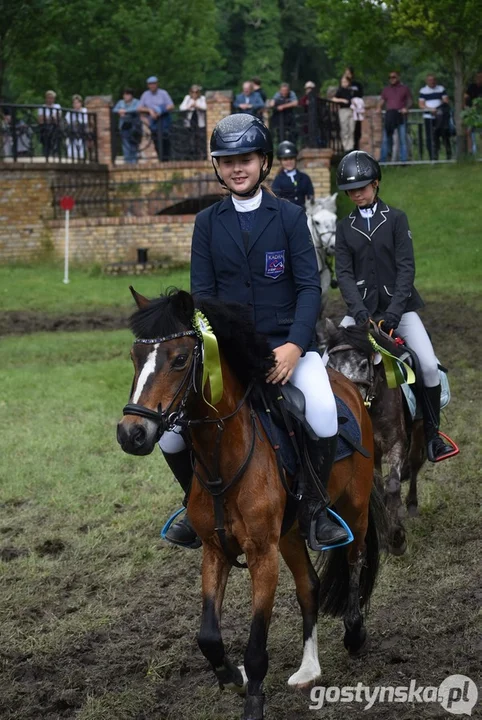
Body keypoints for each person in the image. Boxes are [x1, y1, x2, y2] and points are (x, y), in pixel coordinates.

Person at [161, 113, 346, 551]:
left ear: (264, 162)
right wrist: (223, 354)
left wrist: (295, 346)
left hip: (288, 346)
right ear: (217, 167)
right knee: (169, 431)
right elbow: (202, 295)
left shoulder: (289, 216)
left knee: (321, 409)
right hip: (229, 354)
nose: (236, 168)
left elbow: (307, 286)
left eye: (245, 158)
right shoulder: (207, 222)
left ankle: (316, 511)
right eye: (227, 161)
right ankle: (195, 503)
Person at [334, 150, 456, 463]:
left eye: (362, 186)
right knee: (327, 362)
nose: (357, 193)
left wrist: (394, 313)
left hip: (398, 310)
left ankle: (432, 436)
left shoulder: (397, 219)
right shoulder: (344, 227)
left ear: (376, 184)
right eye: (351, 190)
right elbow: (344, 274)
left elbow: (406, 269)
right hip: (362, 311)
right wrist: (358, 310)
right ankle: (335, 435)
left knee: (427, 364)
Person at [377, 71, 412, 163]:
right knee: (385, 139)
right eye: (390, 77)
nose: (392, 79)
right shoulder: (386, 89)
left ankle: (403, 160)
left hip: (401, 116)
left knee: (402, 139)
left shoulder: (404, 88)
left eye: (394, 77)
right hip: (389, 116)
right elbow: (382, 100)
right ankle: (384, 160)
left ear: (398, 77)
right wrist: (378, 107)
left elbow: (409, 100)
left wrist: (406, 108)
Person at [138, 76, 174, 161]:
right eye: (150, 84)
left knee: (166, 141)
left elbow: (171, 105)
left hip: (164, 121)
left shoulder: (163, 93)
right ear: (148, 85)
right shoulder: (145, 95)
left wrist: (161, 111)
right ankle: (161, 160)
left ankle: (167, 160)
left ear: (157, 84)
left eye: (154, 83)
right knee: (156, 142)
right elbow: (139, 108)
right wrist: (149, 110)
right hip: (153, 123)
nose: (152, 86)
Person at [271, 140, 314, 207]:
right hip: (286, 213)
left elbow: (310, 195)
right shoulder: (278, 180)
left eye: (291, 158)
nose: (289, 162)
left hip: (303, 212)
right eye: (285, 159)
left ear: (295, 159)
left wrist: (311, 201)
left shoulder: (304, 177)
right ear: (281, 161)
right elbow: (276, 199)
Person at [419, 74, 451, 160]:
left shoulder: (441, 88)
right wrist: (430, 110)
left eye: (433, 80)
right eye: (429, 80)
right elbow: (421, 105)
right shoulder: (423, 90)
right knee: (430, 137)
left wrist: (437, 109)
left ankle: (448, 155)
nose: (432, 82)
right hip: (428, 117)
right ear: (427, 81)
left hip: (441, 117)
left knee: (444, 135)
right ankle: (433, 156)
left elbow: (445, 101)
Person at [113, 88, 141, 164]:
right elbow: (114, 110)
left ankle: (134, 163)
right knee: (125, 145)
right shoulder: (120, 102)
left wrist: (125, 111)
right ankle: (128, 163)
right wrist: (119, 111)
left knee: (133, 145)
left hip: (134, 126)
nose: (125, 96)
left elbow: (137, 109)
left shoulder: (136, 102)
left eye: (127, 94)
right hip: (124, 126)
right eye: (124, 94)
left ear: (131, 95)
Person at [179, 85, 207, 159]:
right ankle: (192, 156)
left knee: (201, 139)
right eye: (193, 92)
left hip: (200, 124)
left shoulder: (202, 98)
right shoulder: (187, 98)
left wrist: (197, 106)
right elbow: (181, 108)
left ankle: (202, 155)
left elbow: (206, 107)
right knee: (191, 140)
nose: (194, 94)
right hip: (190, 123)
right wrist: (189, 106)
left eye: (196, 92)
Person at [331, 75, 354, 152]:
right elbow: (334, 99)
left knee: (351, 129)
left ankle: (351, 147)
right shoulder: (340, 90)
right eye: (342, 82)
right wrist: (343, 100)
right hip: (343, 110)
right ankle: (346, 147)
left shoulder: (350, 91)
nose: (343, 83)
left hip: (350, 110)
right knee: (345, 129)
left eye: (345, 82)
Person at [37, 90, 61, 159]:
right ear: (46, 98)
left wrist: (47, 118)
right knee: (45, 141)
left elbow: (57, 119)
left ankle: (55, 155)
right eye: (48, 98)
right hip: (45, 128)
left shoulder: (57, 106)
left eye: (52, 98)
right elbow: (40, 120)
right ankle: (45, 156)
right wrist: (51, 118)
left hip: (54, 128)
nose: (50, 100)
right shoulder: (42, 107)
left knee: (55, 139)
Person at [344, 66, 364, 149]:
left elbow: (361, 95)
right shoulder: (344, 84)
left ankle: (356, 148)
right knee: (348, 130)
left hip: (356, 110)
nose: (347, 75)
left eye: (348, 73)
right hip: (347, 109)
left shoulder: (357, 85)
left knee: (357, 131)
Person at [65, 94, 88, 160]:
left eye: (77, 103)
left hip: (82, 135)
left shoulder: (85, 111)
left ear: (81, 103)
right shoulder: (70, 113)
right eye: (74, 103)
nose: (76, 105)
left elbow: (87, 123)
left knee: (81, 156)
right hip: (72, 135)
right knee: (71, 155)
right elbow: (67, 124)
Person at [464, 70, 482, 154]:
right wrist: (466, 107)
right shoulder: (471, 87)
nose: (479, 79)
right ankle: (471, 152)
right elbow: (465, 97)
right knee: (468, 132)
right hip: (472, 114)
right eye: (478, 77)